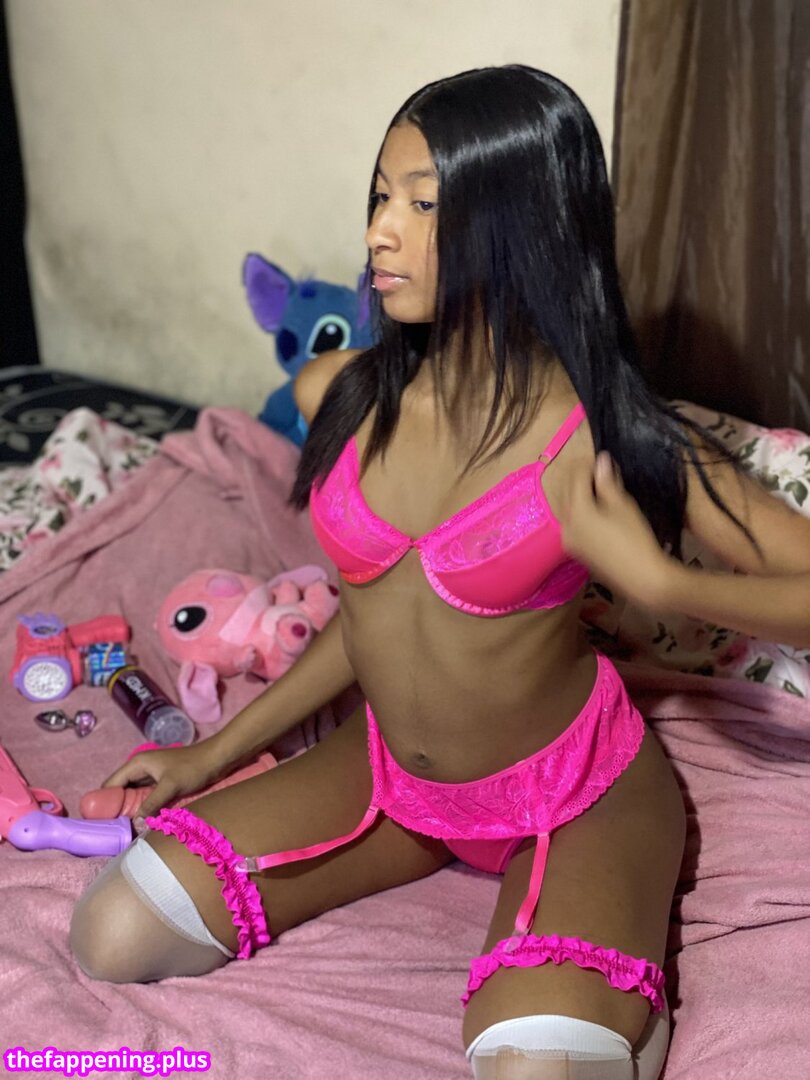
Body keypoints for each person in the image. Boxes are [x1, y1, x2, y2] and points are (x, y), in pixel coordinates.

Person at [70, 65, 810, 1078]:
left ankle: (608, 989)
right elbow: (375, 615)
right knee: (112, 933)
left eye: (423, 206)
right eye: (381, 195)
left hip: (570, 792)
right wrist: (207, 758)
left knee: (534, 1070)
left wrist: (666, 584)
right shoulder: (338, 392)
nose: (380, 231)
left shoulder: (595, 434)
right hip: (393, 778)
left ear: (525, 227)